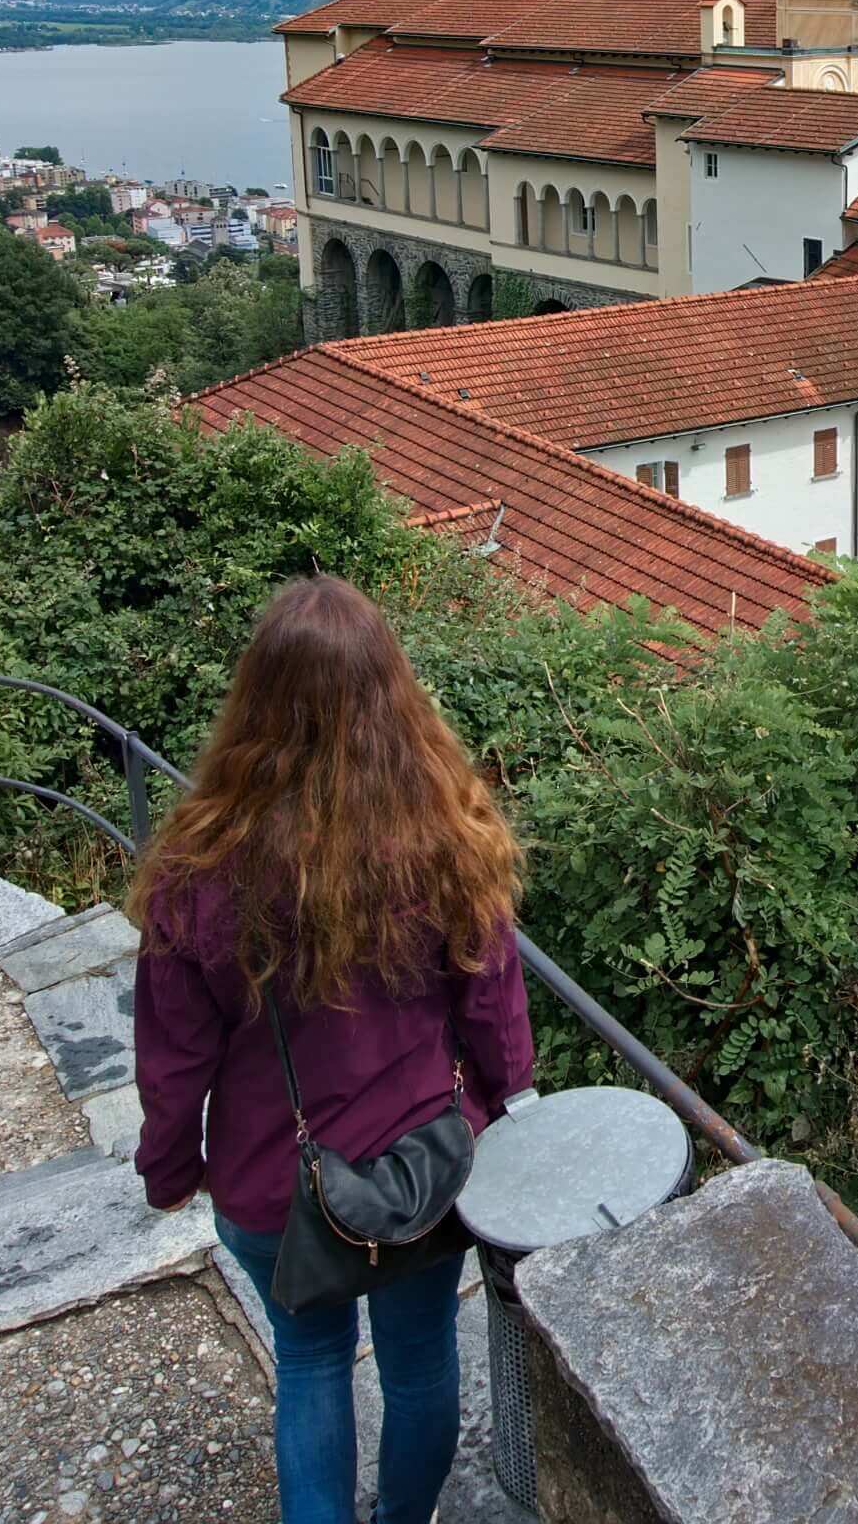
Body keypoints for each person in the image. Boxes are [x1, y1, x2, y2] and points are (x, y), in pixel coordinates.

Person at [131, 574, 536, 1524]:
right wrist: (503, 1099)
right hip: (419, 1168)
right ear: (393, 695)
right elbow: (493, 1006)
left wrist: (170, 1168)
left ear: (255, 704)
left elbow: (171, 1058)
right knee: (424, 1361)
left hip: (273, 1179)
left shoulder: (197, 869)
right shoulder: (445, 836)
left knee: (309, 1365)